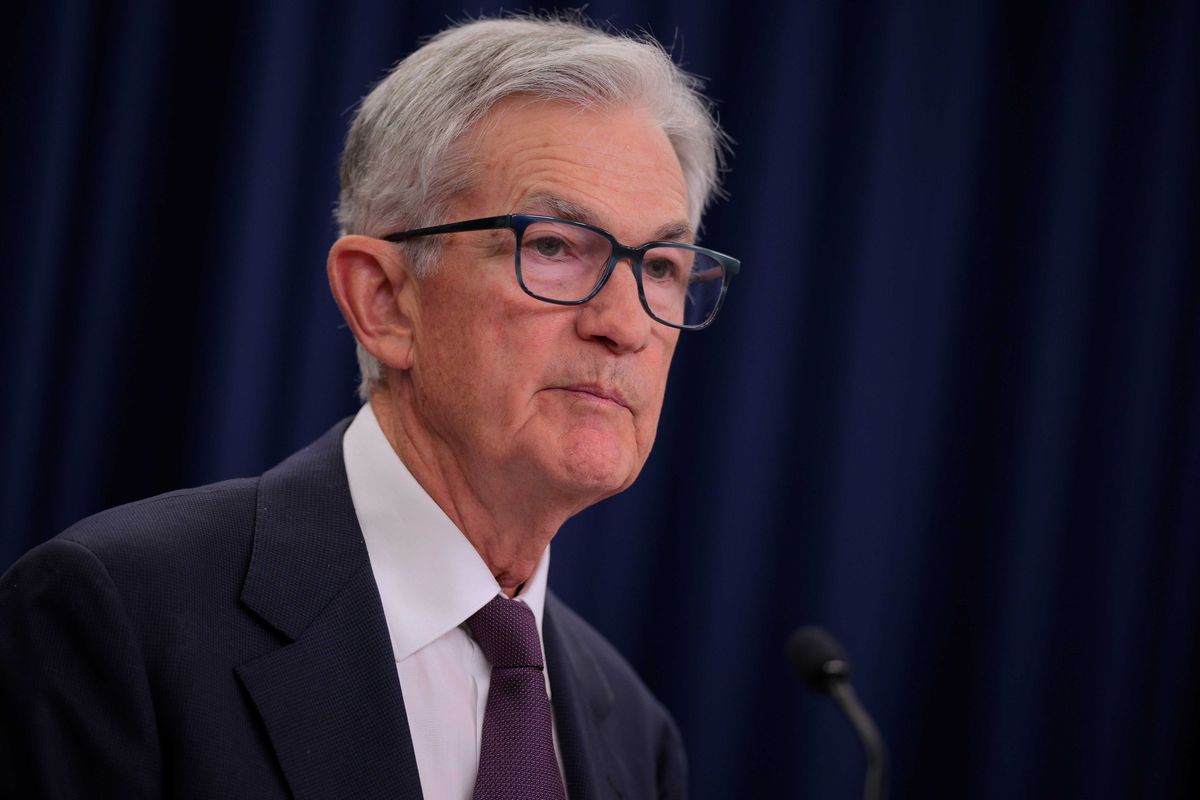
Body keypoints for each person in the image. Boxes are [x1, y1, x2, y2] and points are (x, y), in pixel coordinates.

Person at [0, 15, 738, 799]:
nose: (625, 325)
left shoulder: (637, 740)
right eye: (554, 246)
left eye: (661, 266)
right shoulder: (117, 617)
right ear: (384, 300)